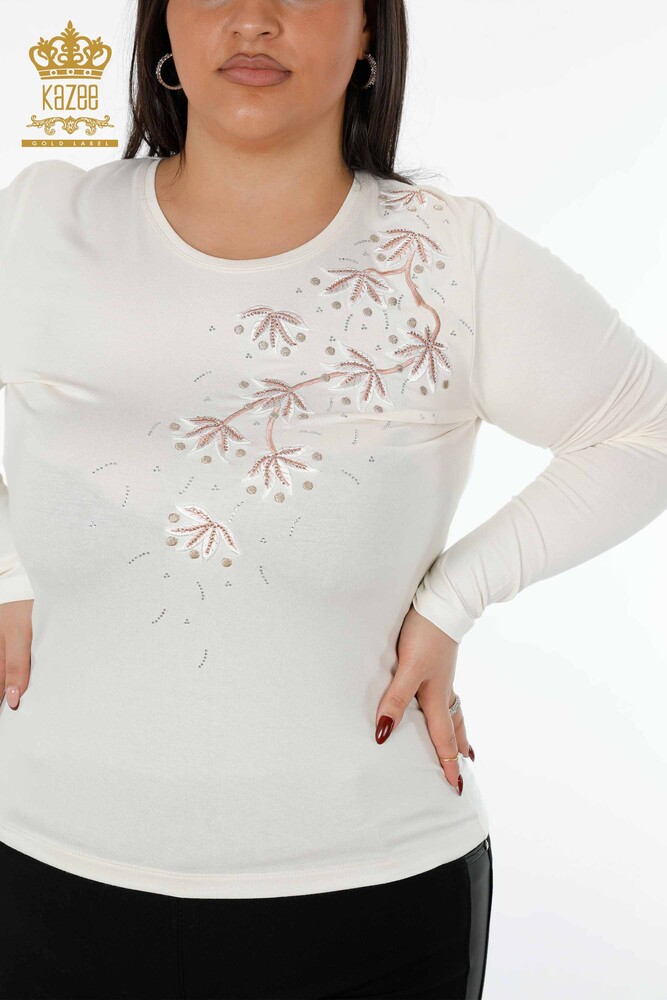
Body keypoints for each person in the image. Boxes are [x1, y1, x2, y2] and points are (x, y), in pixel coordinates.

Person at [0, 1, 665, 998]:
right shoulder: (43, 223)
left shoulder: (446, 259)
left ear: (366, 32)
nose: (253, 18)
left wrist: (452, 599)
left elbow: (646, 432)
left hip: (369, 903)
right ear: (162, 23)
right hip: (42, 879)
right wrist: (9, 565)